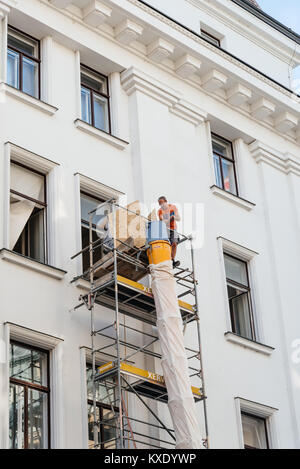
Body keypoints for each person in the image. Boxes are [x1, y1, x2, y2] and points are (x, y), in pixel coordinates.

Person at [158, 196, 181, 268]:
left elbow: (179, 218)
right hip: (166, 230)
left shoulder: (173, 207)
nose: (161, 204)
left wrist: (174, 217)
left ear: (166, 201)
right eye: (160, 203)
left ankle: (172, 260)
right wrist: (169, 219)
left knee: (174, 243)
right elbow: (162, 222)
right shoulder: (160, 211)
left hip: (173, 229)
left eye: (162, 202)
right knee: (167, 245)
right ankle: (168, 259)